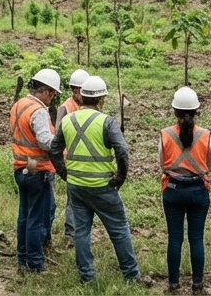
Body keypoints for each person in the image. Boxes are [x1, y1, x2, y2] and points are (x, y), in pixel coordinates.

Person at [49, 75, 147, 285]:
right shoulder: (107, 122)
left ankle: (87, 278)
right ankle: (131, 276)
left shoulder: (67, 120)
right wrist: (120, 177)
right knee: (119, 229)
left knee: (81, 231)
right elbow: (122, 150)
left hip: (76, 187)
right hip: (103, 187)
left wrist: (64, 173)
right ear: (101, 99)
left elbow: (54, 150)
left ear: (81, 97)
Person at [161, 86, 211, 294]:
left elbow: (162, 163)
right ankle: (197, 283)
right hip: (198, 190)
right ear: (196, 111)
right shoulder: (205, 135)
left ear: (174, 111)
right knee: (196, 238)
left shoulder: (164, 134)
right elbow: (207, 164)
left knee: (174, 238)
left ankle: (173, 283)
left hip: (173, 190)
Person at [9, 68, 60, 273]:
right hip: (38, 172)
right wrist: (62, 141)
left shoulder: (20, 104)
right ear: (46, 91)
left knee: (24, 217)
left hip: (21, 169)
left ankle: (23, 261)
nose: (52, 98)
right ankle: (35, 265)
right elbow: (45, 141)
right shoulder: (38, 111)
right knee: (37, 220)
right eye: (53, 94)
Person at [59, 69, 89, 245]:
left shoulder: (82, 107)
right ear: (75, 90)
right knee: (73, 199)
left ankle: (80, 230)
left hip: (83, 160)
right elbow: (58, 137)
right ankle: (71, 233)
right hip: (70, 159)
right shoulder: (66, 108)